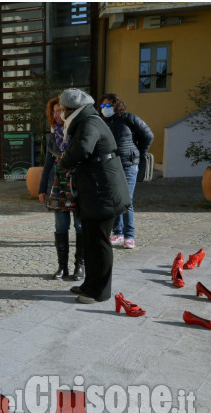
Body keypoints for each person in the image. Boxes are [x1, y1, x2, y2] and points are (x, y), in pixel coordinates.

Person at [57, 89, 131, 304]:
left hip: (103, 193)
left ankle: (99, 291)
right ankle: (90, 284)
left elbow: (83, 148)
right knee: (90, 241)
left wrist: (64, 161)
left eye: (62, 110)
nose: (61, 114)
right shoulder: (87, 120)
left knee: (99, 243)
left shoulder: (90, 122)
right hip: (94, 192)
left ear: (71, 109)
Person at [98, 93, 154, 249]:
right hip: (110, 165)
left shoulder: (129, 118)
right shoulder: (102, 122)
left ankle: (129, 236)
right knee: (115, 199)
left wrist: (138, 152)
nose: (105, 109)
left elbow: (148, 135)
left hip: (129, 164)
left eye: (108, 105)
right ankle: (118, 233)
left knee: (126, 200)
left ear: (116, 105)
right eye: (102, 106)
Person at [38, 97, 84, 281]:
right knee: (61, 226)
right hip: (57, 186)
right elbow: (48, 164)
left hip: (77, 184)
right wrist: (42, 189)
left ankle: (79, 266)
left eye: (60, 110)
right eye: (54, 111)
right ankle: (62, 267)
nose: (57, 114)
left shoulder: (79, 131)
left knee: (80, 226)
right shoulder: (53, 135)